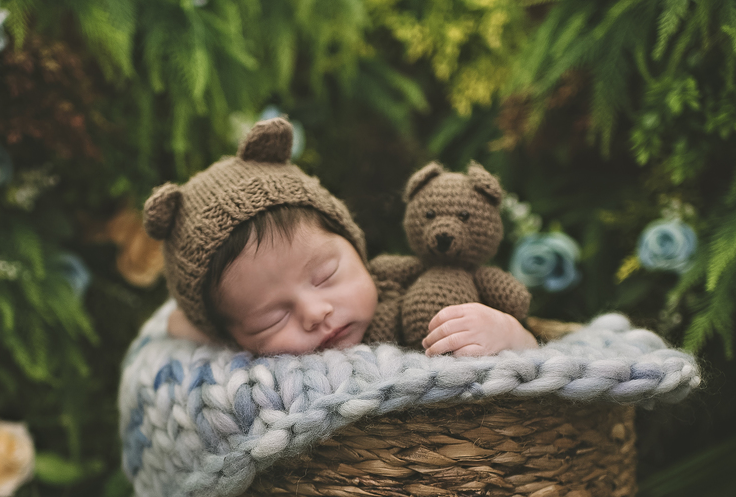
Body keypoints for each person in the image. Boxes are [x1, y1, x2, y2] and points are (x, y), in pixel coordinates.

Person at [143, 117, 536, 357]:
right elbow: (183, 324)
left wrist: (511, 336)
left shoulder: (404, 289)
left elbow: (545, 367)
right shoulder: (255, 378)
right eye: (271, 319)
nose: (316, 313)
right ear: (232, 338)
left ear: (354, 246)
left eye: (326, 275)